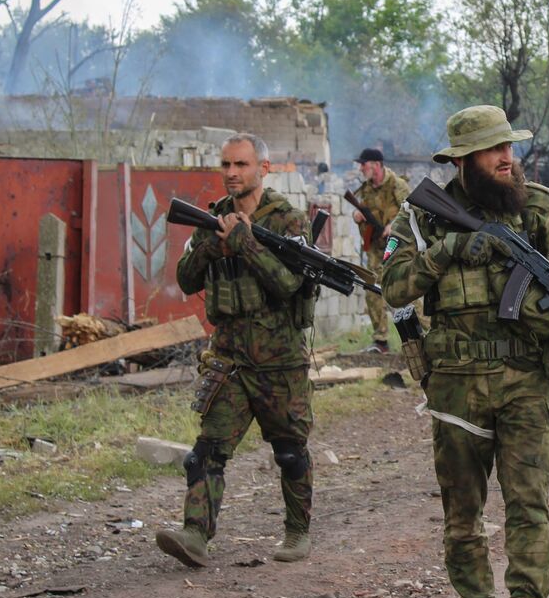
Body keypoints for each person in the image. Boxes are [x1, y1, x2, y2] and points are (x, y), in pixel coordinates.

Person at [382, 105, 549, 598]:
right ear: (463, 160)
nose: (508, 158)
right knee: (463, 509)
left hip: (525, 377)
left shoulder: (541, 207)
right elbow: (394, 285)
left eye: (510, 148)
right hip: (455, 383)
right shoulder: (419, 216)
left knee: (528, 501)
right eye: (494, 150)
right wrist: (449, 249)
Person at [158, 133, 315, 568]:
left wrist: (245, 243)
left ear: (263, 169)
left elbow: (288, 285)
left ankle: (297, 531)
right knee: (207, 450)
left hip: (280, 360)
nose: (231, 173)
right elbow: (187, 281)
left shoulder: (289, 221)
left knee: (289, 450)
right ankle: (195, 534)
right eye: (226, 164)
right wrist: (211, 245)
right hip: (229, 358)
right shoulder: (212, 219)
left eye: (241, 165)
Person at [350, 148, 411, 353]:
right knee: (372, 290)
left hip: (397, 247)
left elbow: (412, 209)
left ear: (376, 165)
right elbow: (362, 210)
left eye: (364, 164)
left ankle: (425, 335)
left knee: (406, 290)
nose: (361, 168)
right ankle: (380, 340)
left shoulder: (397, 184)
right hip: (376, 249)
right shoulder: (366, 189)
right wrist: (357, 216)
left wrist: (394, 225)